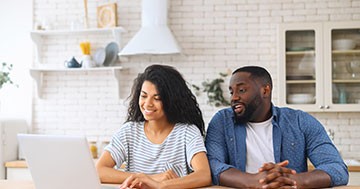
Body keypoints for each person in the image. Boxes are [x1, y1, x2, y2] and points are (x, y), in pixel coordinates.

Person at [205, 66, 348, 188]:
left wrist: (295, 181)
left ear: (265, 91)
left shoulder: (300, 121)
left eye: (241, 90)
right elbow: (211, 165)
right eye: (232, 92)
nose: (234, 97)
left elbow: (337, 168)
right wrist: (251, 181)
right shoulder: (222, 121)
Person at [96, 64, 211, 189]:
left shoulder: (187, 133)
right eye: (144, 96)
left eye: (157, 98)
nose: (148, 104)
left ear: (171, 101)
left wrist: (160, 185)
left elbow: (204, 175)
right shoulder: (129, 131)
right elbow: (98, 170)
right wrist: (147, 178)